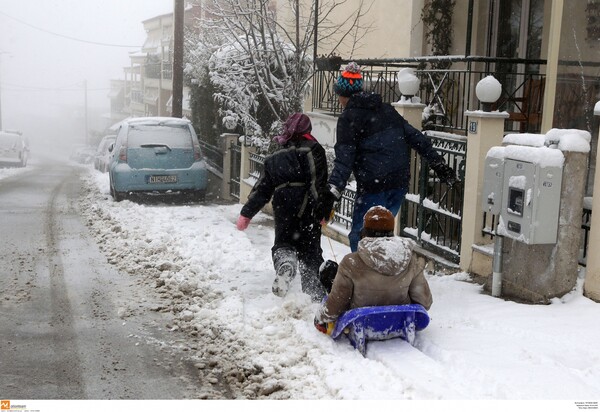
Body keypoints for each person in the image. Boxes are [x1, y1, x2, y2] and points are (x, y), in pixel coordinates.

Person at [322, 62, 458, 252]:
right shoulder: (386, 110)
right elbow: (416, 137)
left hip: (372, 186)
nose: (338, 100)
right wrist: (439, 165)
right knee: (382, 236)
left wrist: (332, 193)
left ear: (344, 95)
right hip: (398, 184)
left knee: (361, 238)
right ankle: (385, 275)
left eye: (339, 95)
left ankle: (365, 280)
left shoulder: (348, 118)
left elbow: (345, 159)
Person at [236, 113, 329, 301]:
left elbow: (262, 188)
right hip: (307, 208)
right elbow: (317, 182)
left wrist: (246, 213)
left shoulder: (273, 158)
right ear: (306, 130)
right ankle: (313, 298)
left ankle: (285, 263)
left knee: (283, 244)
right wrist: (322, 209)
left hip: (283, 208)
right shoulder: (313, 150)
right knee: (310, 252)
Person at [314, 206, 433, 334]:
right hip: (399, 322)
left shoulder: (351, 262)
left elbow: (337, 302)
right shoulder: (411, 260)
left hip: (361, 323)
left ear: (365, 231)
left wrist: (321, 317)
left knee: (328, 269)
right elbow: (425, 302)